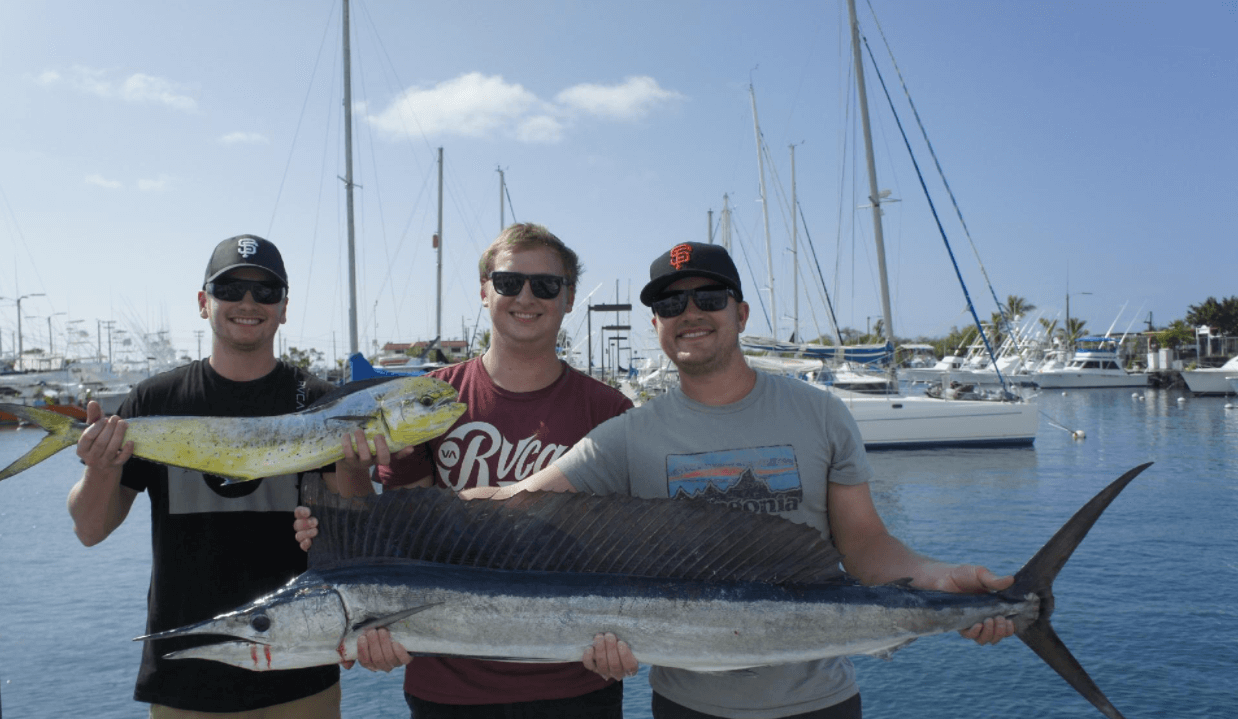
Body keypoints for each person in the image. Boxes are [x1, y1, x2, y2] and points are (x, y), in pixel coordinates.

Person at [464, 241, 1015, 719]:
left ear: (741, 313)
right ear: (654, 324)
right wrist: (379, 485)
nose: (691, 313)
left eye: (709, 298)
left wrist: (940, 579)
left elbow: (866, 547)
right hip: (688, 709)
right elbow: (510, 503)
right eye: (671, 303)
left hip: (820, 704)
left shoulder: (821, 414)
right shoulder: (626, 437)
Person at [301, 222, 634, 718]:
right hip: (447, 687)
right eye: (508, 282)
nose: (526, 296)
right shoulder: (423, 402)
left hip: (578, 680)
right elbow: (396, 536)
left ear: (568, 299)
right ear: (484, 291)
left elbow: (628, 548)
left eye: (546, 285)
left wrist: (635, 640)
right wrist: (349, 467)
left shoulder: (611, 410)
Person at [68, 234, 346, 717]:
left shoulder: (322, 402)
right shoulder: (154, 402)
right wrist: (100, 470)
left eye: (266, 292)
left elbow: (353, 526)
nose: (248, 302)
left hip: (302, 670)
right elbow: (90, 529)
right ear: (203, 303)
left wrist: (358, 467)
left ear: (284, 308)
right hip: (184, 677)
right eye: (230, 288)